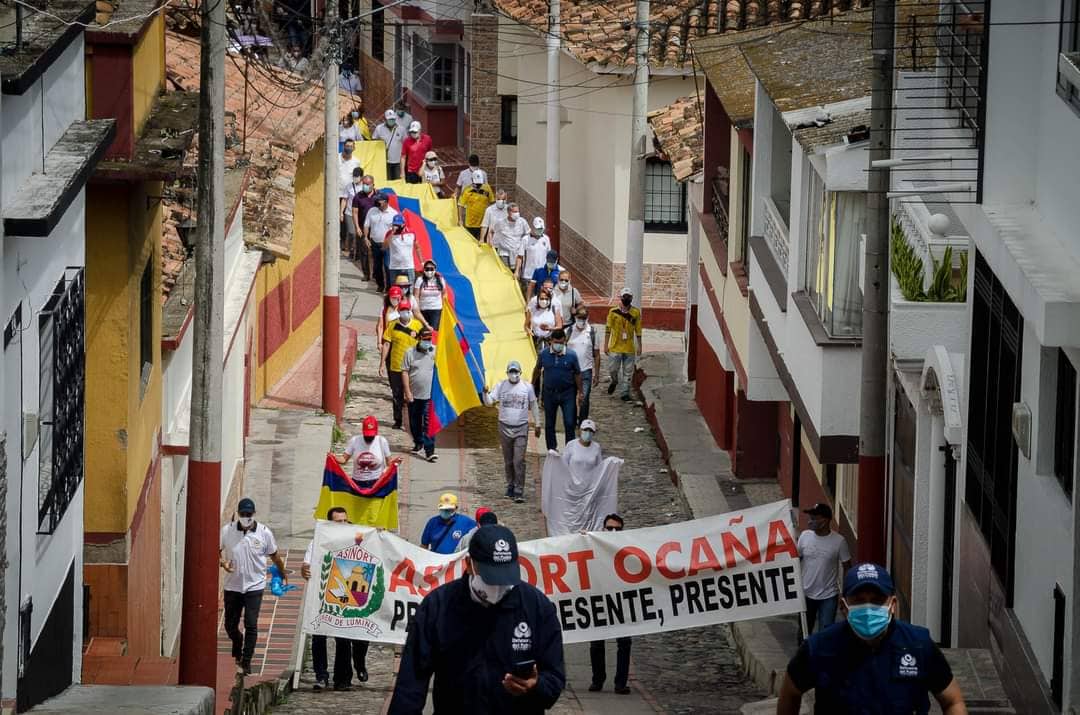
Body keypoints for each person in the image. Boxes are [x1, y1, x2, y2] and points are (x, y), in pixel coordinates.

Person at [389, 524, 566, 713]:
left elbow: (554, 677)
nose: (498, 585)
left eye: (505, 576)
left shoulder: (537, 607)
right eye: (491, 577)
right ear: (469, 565)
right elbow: (412, 681)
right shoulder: (438, 606)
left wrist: (535, 686)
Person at [777, 563, 968, 715]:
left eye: (877, 600)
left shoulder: (918, 644)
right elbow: (790, 692)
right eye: (859, 600)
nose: (868, 608)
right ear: (844, 607)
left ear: (892, 604)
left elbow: (953, 701)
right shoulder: (818, 648)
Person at [302, 506, 369, 690]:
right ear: (329, 524)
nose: (343, 524)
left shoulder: (357, 539)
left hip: (347, 598)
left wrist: (378, 534)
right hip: (322, 597)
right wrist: (305, 568)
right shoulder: (317, 542)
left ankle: (343, 679)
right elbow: (306, 564)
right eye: (338, 521)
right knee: (318, 638)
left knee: (344, 638)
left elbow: (373, 547)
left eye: (345, 521)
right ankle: (321, 676)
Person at [220, 497, 287, 675]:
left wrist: (283, 573)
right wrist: (223, 563)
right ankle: (237, 640)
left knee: (251, 624)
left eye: (249, 514)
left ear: (254, 514)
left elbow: (275, 556)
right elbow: (217, 550)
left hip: (254, 586)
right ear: (238, 514)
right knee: (230, 625)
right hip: (232, 587)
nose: (246, 517)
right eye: (243, 514)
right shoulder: (227, 531)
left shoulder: (264, 533)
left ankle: (246, 660)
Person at [483, 361, 541, 502]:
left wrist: (538, 423)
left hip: (521, 428)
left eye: (516, 372)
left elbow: (533, 405)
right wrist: (485, 393)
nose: (514, 374)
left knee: (518, 460)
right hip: (504, 427)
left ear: (520, 373)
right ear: (507, 373)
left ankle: (519, 489)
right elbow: (489, 402)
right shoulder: (501, 386)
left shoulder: (527, 387)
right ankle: (510, 485)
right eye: (511, 372)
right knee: (508, 461)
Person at [588, 513, 632, 694]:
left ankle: (620, 683)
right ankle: (598, 680)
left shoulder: (629, 547)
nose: (613, 531)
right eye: (609, 528)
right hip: (599, 598)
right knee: (597, 642)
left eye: (617, 528)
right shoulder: (593, 544)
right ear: (603, 529)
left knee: (624, 642)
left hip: (622, 600)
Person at [797, 502, 852, 634]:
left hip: (828, 596)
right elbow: (796, 559)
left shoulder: (839, 541)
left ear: (825, 520)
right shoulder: (804, 536)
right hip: (805, 594)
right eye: (811, 517)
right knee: (804, 632)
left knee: (826, 633)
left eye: (815, 518)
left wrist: (845, 594)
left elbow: (847, 567)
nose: (811, 521)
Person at [532, 328, 582, 451]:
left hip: (568, 394)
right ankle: (552, 449)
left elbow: (577, 373)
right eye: (556, 342)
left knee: (570, 423)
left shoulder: (571, 355)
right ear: (551, 341)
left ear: (565, 341)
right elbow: (537, 369)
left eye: (561, 342)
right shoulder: (544, 354)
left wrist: (580, 391)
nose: (558, 345)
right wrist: (532, 385)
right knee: (549, 423)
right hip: (549, 394)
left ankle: (570, 449)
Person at [380, 300, 422, 429]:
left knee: (412, 395)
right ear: (399, 312)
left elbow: (423, 345)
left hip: (413, 367)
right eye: (403, 310)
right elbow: (386, 344)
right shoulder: (392, 326)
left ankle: (412, 422)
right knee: (397, 394)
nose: (405, 312)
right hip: (396, 365)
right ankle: (398, 420)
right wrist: (382, 363)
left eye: (407, 310)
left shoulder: (418, 326)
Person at [402, 327, 438, 462]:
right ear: (419, 339)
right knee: (414, 420)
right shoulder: (409, 353)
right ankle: (418, 441)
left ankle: (430, 450)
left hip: (429, 395)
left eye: (429, 340)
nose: (427, 342)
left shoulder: (434, 351)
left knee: (428, 423)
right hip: (413, 394)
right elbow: (404, 372)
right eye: (425, 340)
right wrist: (407, 391)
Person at [605, 287, 642, 402]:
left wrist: (640, 345)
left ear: (631, 298)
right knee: (613, 369)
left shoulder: (635, 312)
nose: (626, 299)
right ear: (621, 297)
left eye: (629, 297)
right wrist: (606, 345)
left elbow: (638, 330)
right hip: (615, 346)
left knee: (628, 372)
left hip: (629, 347)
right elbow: (608, 329)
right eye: (624, 296)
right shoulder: (613, 312)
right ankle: (614, 381)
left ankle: (624, 393)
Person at [337, 415, 396, 484]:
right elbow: (344, 459)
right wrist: (333, 458)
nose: (369, 437)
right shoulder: (355, 440)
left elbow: (389, 462)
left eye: (371, 435)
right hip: (358, 483)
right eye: (367, 435)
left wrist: (395, 463)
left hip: (377, 483)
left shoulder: (382, 441)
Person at [567, 307, 599, 422]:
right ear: (575, 318)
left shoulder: (592, 332)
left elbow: (597, 354)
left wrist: (597, 374)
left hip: (586, 371)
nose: (581, 320)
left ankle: (583, 421)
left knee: (584, 398)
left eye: (584, 318)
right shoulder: (569, 331)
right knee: (571, 398)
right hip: (570, 371)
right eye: (579, 318)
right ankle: (572, 419)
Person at [364, 192, 397, 292]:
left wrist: (388, 242)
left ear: (385, 202)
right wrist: (366, 237)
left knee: (387, 266)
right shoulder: (372, 211)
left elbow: (395, 231)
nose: (376, 202)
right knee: (377, 266)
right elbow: (366, 225)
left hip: (387, 245)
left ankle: (389, 287)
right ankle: (380, 285)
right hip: (375, 243)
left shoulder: (393, 214)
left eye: (379, 200)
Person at [491, 202, 529, 277]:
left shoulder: (522, 222)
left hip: (518, 254)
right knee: (506, 274)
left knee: (516, 275)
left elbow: (528, 233)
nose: (516, 213)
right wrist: (490, 241)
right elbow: (492, 231)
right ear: (508, 212)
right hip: (505, 253)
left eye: (517, 211)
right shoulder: (501, 223)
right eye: (514, 211)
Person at [385, 213, 423, 287]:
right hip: (394, 267)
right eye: (395, 224)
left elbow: (417, 247)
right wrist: (392, 233)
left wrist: (422, 262)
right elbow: (384, 246)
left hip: (408, 266)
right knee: (395, 288)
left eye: (398, 224)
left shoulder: (411, 232)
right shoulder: (389, 233)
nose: (397, 226)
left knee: (410, 289)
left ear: (403, 224)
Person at [350, 175, 377, 272]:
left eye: (367, 184)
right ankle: (366, 273)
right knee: (364, 251)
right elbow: (355, 212)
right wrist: (357, 227)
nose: (365, 186)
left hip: (375, 229)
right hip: (362, 228)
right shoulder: (358, 197)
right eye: (364, 184)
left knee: (375, 253)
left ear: (373, 185)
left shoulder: (378, 196)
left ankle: (376, 273)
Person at [458, 170, 495, 240]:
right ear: (472, 180)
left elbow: (492, 202)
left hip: (484, 223)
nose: (478, 186)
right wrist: (460, 219)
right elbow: (460, 205)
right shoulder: (467, 190)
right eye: (476, 184)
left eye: (480, 184)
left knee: (483, 243)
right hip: (470, 224)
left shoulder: (487, 188)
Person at [372, 109, 406, 180]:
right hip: (384, 162)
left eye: (393, 119)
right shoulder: (379, 128)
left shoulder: (401, 129)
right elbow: (373, 142)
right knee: (386, 181)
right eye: (389, 119)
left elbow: (405, 143)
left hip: (398, 162)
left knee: (397, 182)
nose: (391, 121)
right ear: (385, 119)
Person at [521, 217, 551, 296]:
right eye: (538, 229)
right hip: (528, 275)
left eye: (541, 229)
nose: (540, 230)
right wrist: (517, 271)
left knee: (541, 298)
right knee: (529, 299)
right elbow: (520, 256)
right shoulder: (525, 239)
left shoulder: (546, 239)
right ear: (533, 227)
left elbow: (549, 256)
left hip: (542, 275)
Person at [412, 259, 446, 330]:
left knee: (434, 331)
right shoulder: (420, 280)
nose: (429, 271)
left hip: (436, 309)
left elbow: (444, 294)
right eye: (427, 269)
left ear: (435, 269)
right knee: (423, 331)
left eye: (431, 269)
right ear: (424, 270)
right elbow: (416, 296)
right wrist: (417, 309)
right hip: (423, 309)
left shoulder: (440, 280)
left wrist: (444, 307)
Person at [341, 166, 364, 256]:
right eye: (354, 176)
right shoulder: (349, 186)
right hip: (349, 213)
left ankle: (354, 251)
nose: (355, 178)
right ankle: (351, 248)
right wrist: (341, 213)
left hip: (360, 214)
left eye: (357, 176)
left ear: (361, 177)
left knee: (359, 234)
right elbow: (344, 200)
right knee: (352, 232)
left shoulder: (365, 186)